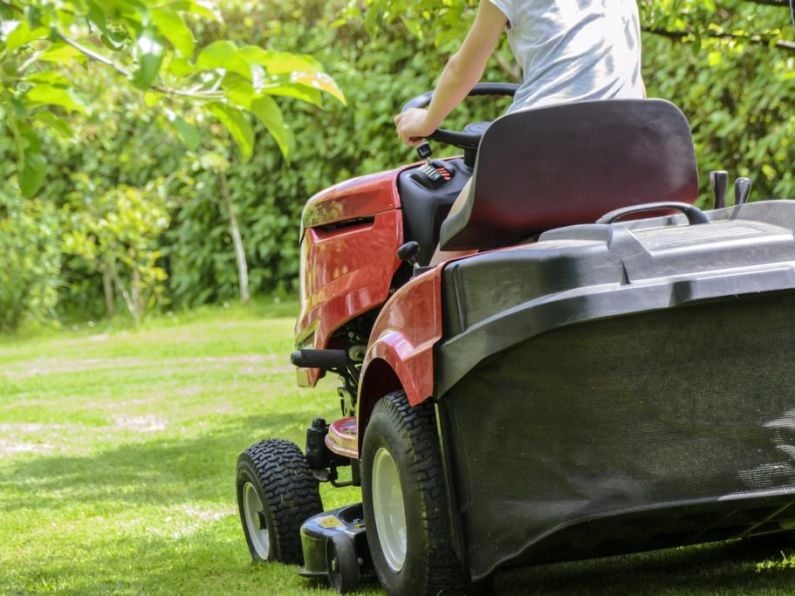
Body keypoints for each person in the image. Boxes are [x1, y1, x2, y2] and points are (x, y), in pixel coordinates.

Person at [394, 0, 645, 264]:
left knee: (458, 232)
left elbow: (462, 69)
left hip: (543, 143)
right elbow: (635, 84)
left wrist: (426, 122)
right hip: (628, 152)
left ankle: (430, 295)